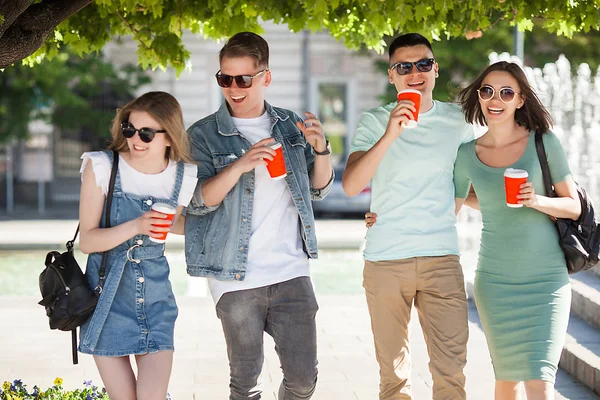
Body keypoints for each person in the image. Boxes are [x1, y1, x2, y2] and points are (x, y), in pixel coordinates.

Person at [184, 32, 334, 400]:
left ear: (265, 77)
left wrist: (323, 148)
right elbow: (197, 202)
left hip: (291, 270)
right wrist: (240, 166)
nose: (233, 88)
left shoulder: (289, 125)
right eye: (225, 79)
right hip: (234, 276)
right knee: (246, 382)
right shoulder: (203, 135)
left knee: (303, 380)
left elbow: (319, 189)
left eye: (243, 79)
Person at [342, 33, 477, 400]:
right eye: (404, 66)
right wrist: (390, 134)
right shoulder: (374, 121)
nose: (414, 72)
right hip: (386, 259)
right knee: (394, 379)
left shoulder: (459, 120)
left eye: (422, 64)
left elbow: (484, 178)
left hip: (442, 258)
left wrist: (464, 198)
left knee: (451, 373)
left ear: (435, 70)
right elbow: (352, 185)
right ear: (392, 75)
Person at [452, 61, 580, 400]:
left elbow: (574, 206)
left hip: (546, 281)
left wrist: (536, 200)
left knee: (540, 383)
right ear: (479, 97)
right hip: (495, 283)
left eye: (506, 92)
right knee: (506, 382)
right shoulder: (467, 155)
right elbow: (451, 206)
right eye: (488, 91)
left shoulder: (544, 142)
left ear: (520, 100)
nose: (496, 99)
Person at [77, 91, 198, 400]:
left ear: (169, 137)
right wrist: (136, 225)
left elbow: (174, 223)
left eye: (146, 133)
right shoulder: (101, 166)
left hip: (156, 298)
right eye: (129, 129)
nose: (135, 139)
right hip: (106, 299)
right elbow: (88, 242)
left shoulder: (184, 175)